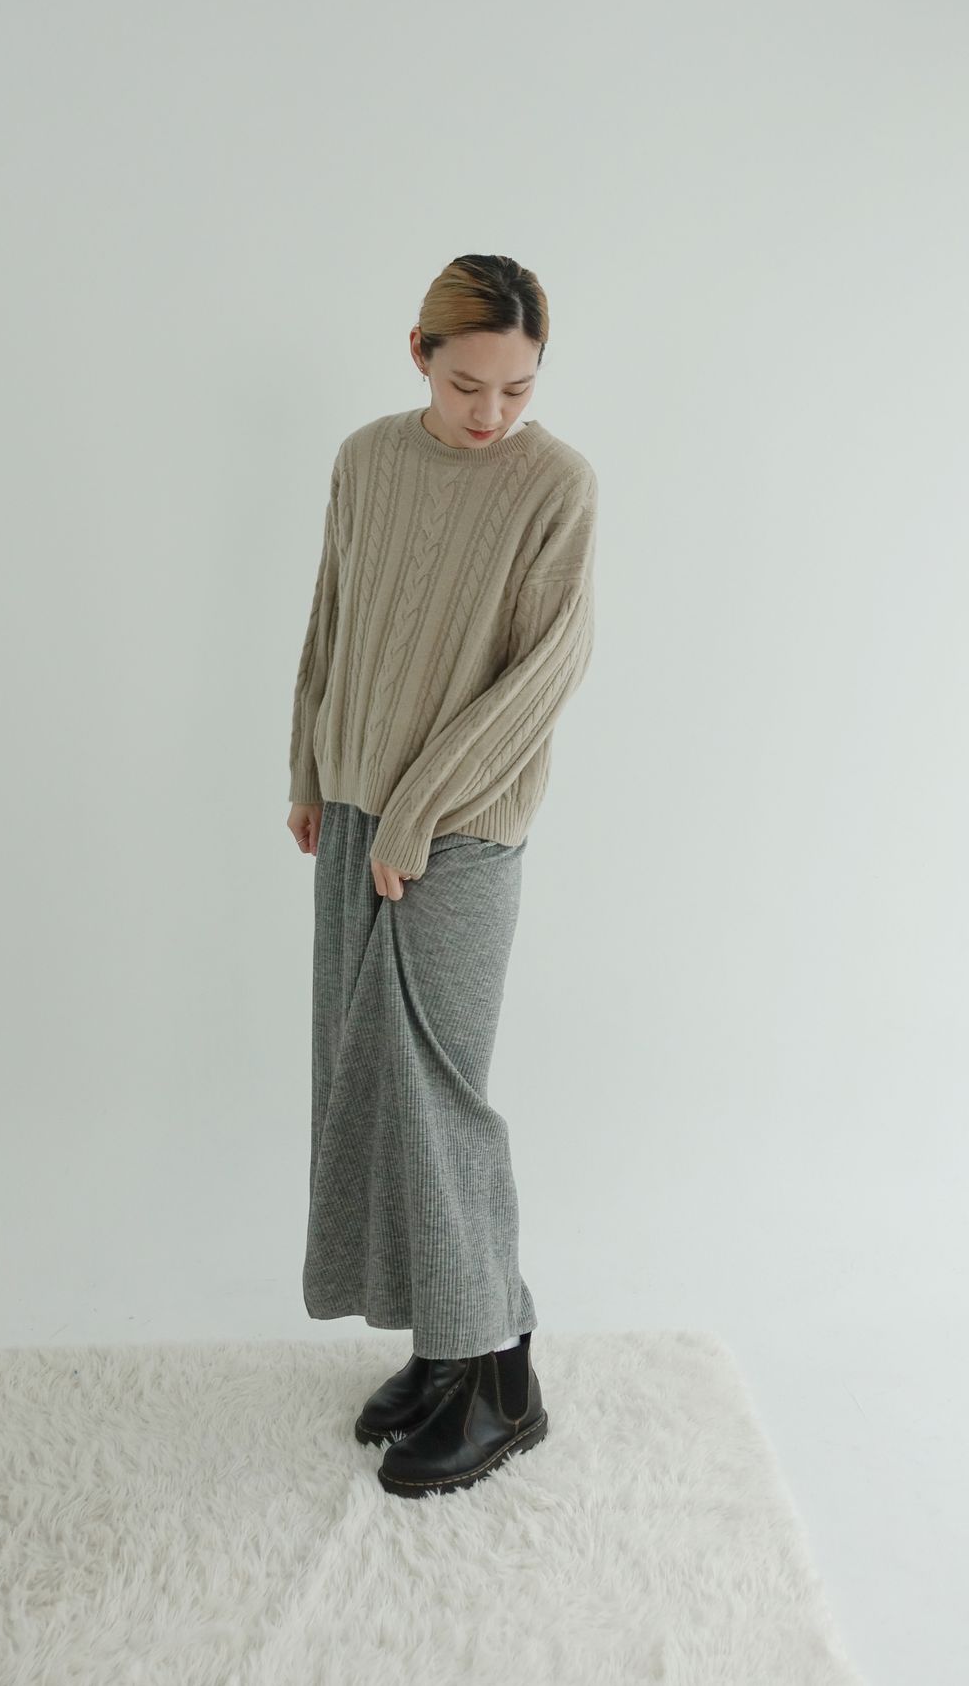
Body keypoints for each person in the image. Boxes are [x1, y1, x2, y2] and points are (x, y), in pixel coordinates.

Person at [286, 253, 598, 1496]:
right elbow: (335, 618)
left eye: (516, 389)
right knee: (366, 1081)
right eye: (468, 385)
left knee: (433, 1092)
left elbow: (545, 672)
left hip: (460, 825)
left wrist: (416, 810)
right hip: (357, 807)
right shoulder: (366, 457)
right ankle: (446, 1347)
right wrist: (310, 765)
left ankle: (501, 1377)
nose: (491, 413)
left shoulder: (555, 486)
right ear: (418, 354)